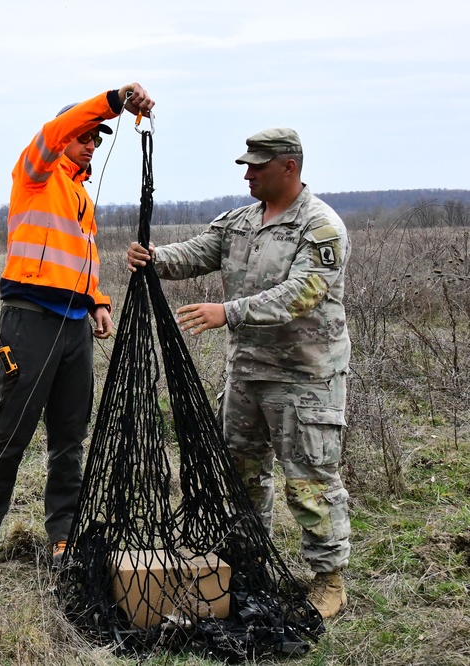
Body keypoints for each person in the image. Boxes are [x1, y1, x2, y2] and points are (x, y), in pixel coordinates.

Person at [127, 128, 352, 618]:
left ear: (289, 166)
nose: (248, 174)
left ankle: (329, 579)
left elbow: (301, 294)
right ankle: (250, 562)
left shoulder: (320, 227)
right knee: (240, 477)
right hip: (246, 374)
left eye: (258, 166)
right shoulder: (240, 222)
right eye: (246, 166)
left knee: (310, 481)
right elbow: (197, 253)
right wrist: (154, 259)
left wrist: (226, 312)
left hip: (304, 379)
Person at [0, 84, 155, 573]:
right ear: (64, 135)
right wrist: (113, 100)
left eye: (98, 138)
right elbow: (55, 131)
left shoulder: (82, 196)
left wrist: (99, 302)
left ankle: (63, 536)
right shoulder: (36, 174)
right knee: (11, 434)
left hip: (74, 330)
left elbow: (81, 257)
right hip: (29, 323)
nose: (91, 143)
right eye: (84, 135)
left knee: (70, 438)